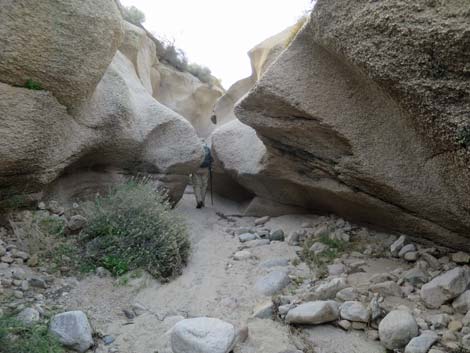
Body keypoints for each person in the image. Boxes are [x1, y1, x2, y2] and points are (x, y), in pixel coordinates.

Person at [191, 142, 212, 208]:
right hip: (206, 169)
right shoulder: (208, 149)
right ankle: (203, 202)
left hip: (196, 169)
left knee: (197, 185)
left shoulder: (196, 148)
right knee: (204, 185)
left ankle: (199, 200)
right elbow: (212, 159)